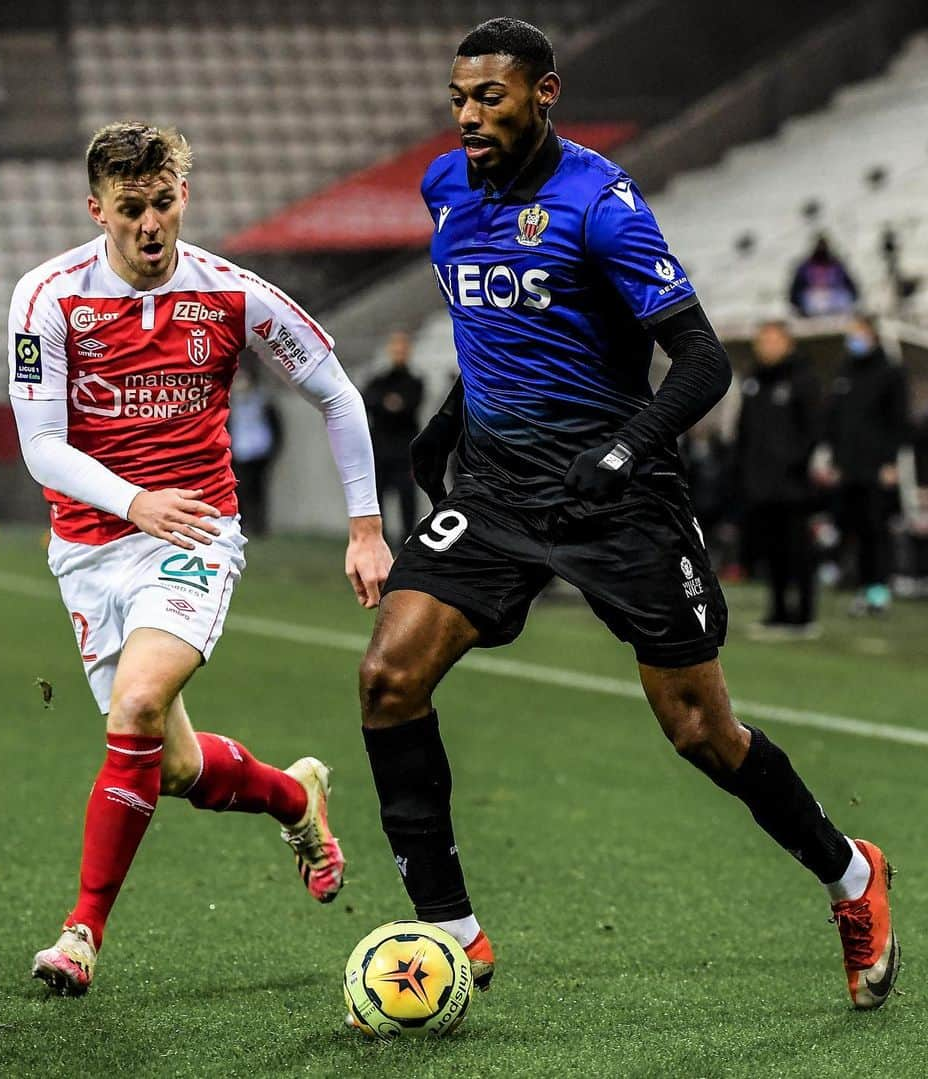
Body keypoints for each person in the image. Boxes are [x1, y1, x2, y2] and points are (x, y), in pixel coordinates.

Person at [354, 18, 899, 1017]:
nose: (471, 117)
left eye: (492, 97)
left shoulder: (601, 206)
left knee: (700, 728)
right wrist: (449, 420)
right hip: (498, 489)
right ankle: (453, 933)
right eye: (460, 98)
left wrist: (622, 449)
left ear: (545, 93)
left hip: (619, 498)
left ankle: (851, 874)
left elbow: (701, 363)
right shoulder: (446, 189)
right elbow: (499, 329)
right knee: (389, 674)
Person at [7, 122, 392, 996]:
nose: (150, 224)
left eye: (165, 202)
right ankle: (297, 800)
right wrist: (132, 499)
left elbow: (336, 393)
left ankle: (81, 934)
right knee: (169, 764)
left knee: (138, 702)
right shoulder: (46, 297)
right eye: (131, 207)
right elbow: (40, 445)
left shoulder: (232, 293)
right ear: (96, 207)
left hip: (194, 536)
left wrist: (364, 525)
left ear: (186, 196)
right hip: (90, 549)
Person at [735, 321, 822, 636]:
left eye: (773, 340)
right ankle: (777, 611)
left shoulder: (803, 380)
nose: (767, 347)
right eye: (763, 340)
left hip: (794, 485)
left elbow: (812, 431)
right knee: (771, 552)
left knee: (798, 550)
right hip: (760, 484)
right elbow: (744, 432)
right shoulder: (753, 382)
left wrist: (794, 464)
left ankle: (804, 615)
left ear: (788, 343)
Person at [817, 314, 908, 615]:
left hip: (876, 467)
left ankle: (879, 590)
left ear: (872, 335)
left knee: (875, 529)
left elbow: (898, 421)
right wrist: (832, 456)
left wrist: (890, 461)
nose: (853, 339)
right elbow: (835, 419)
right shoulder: (845, 373)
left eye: (858, 333)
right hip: (848, 467)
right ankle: (860, 585)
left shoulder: (890, 373)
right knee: (851, 527)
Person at [363, 330, 424, 547]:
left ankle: (407, 539)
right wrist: (389, 405)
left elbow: (408, 406)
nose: (399, 353)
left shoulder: (415, 381)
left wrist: (387, 405)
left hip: (403, 451)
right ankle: (380, 539)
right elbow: (369, 401)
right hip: (380, 450)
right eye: (396, 348)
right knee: (377, 499)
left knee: (407, 498)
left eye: (403, 348)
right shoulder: (379, 379)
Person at [228, 361, 283, 537]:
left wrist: (273, 449)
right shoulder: (230, 403)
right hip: (238, 450)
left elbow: (276, 426)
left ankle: (259, 525)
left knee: (258, 489)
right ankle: (242, 523)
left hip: (259, 450)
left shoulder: (262, 400)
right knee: (240, 488)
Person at [789, 234, 859, 318]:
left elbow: (851, 289)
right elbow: (795, 292)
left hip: (834, 299)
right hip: (812, 301)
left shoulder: (837, 265)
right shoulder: (805, 267)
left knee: (843, 298)